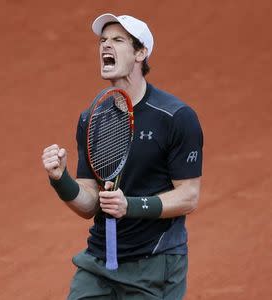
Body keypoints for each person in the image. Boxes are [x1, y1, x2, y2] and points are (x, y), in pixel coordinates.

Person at [41, 13, 203, 300]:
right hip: (100, 262)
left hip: (155, 264)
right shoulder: (93, 117)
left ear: (141, 53)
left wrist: (131, 205)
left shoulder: (176, 118)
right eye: (102, 40)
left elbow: (188, 197)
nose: (106, 46)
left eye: (118, 40)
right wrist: (60, 179)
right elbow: (89, 203)